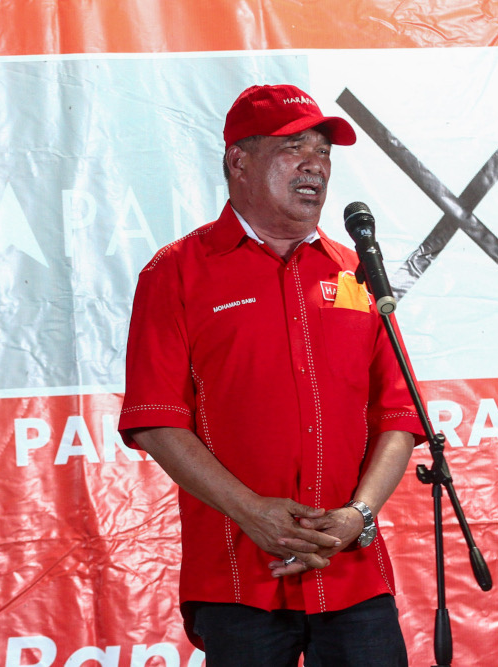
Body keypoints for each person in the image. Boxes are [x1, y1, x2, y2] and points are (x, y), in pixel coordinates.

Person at [118, 84, 424, 667]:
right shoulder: (176, 272)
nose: (316, 164)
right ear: (239, 159)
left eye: (325, 152)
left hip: (352, 575)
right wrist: (253, 511)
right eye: (294, 147)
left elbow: (399, 415)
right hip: (241, 580)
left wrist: (355, 517)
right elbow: (156, 421)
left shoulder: (358, 273)